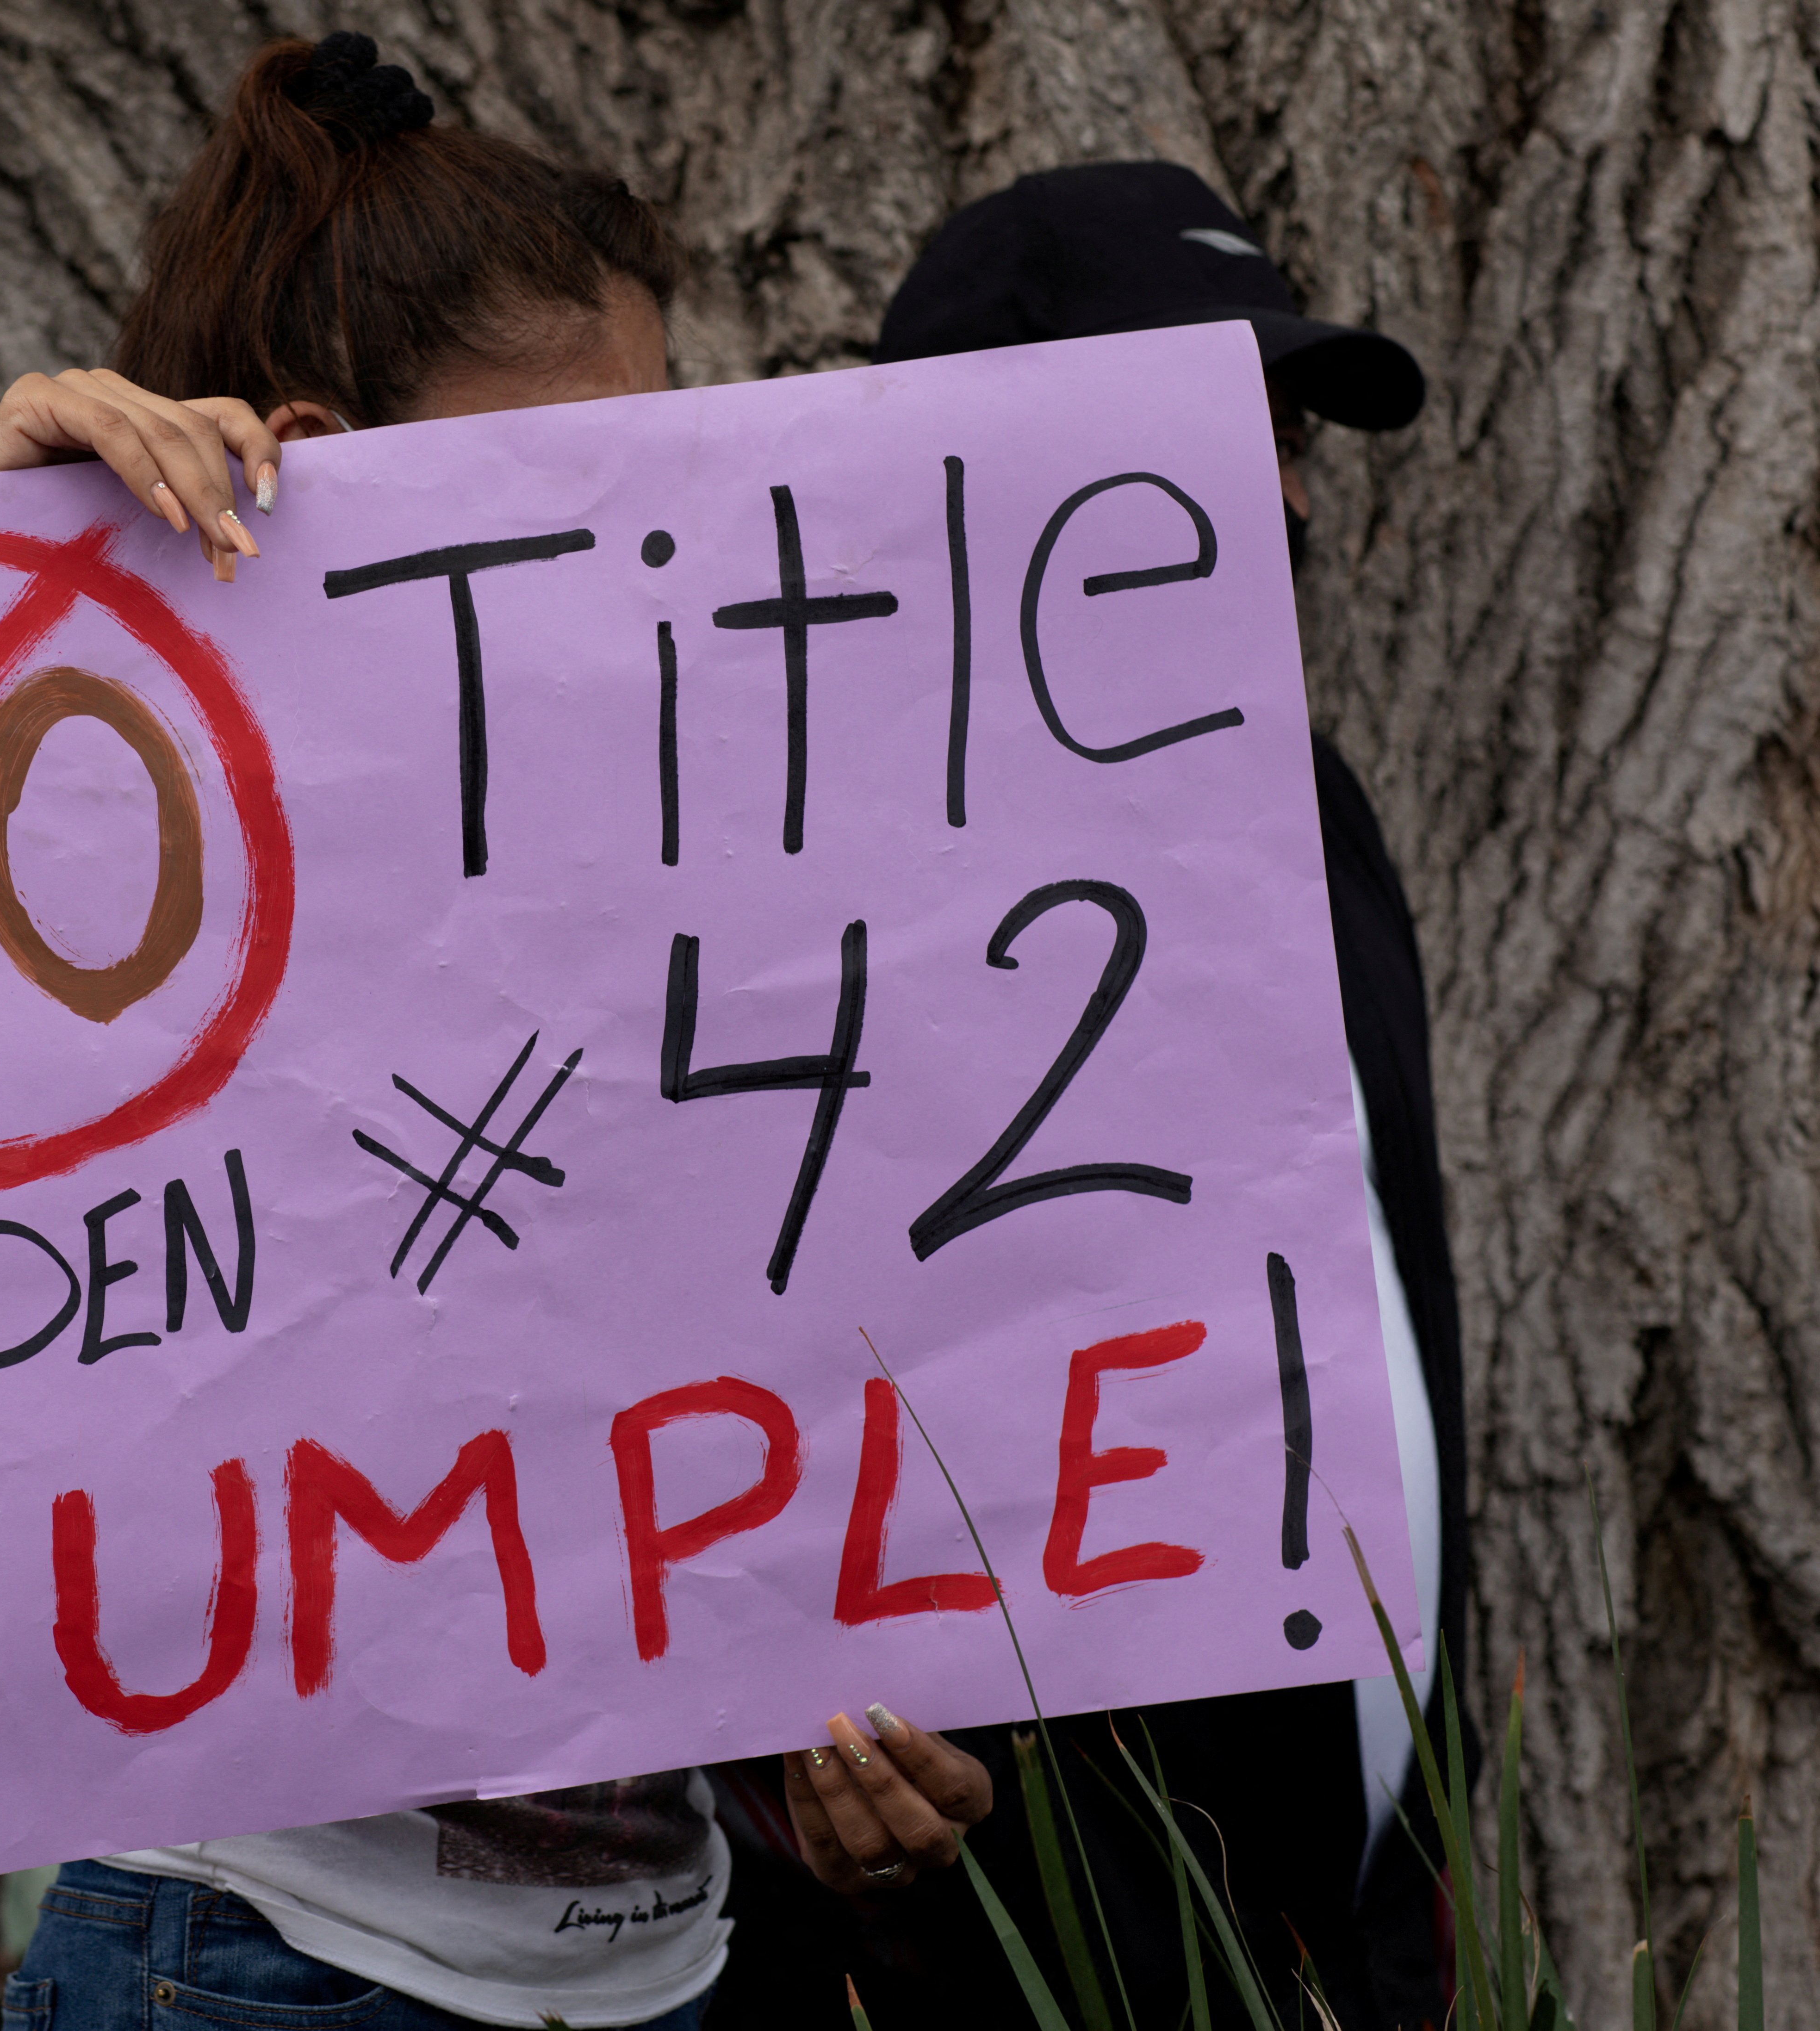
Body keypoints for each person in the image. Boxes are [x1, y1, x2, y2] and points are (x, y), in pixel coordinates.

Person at [0, 38, 994, 2031]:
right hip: (263, 1975)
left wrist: (832, 1766)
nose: (667, 516)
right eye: (583, 463)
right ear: (330, 459)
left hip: (660, 1966)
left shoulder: (701, 867)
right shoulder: (143, 859)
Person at [701, 163, 1463, 2031]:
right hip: (1048, 1952)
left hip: (1362, 1954)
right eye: (1218, 432)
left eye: (1284, 437)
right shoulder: (814, 905)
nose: (1286, 497)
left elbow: (1390, 1310)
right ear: (985, 484)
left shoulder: (1316, 817)